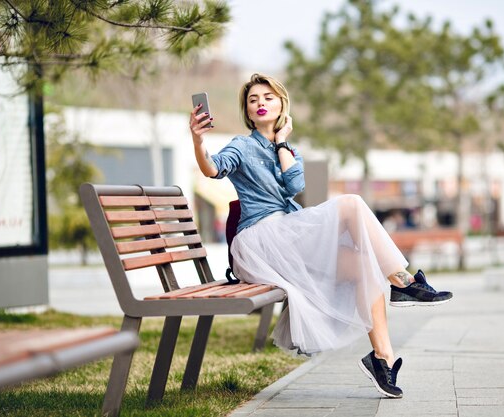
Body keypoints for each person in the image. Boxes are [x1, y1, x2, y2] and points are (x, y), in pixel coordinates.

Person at [189, 73, 453, 398]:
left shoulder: (287, 149)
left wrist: (282, 141)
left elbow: (295, 187)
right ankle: (402, 281)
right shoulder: (241, 146)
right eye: (253, 99)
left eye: (268, 97)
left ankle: (383, 358)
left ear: (282, 104)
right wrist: (198, 141)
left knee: (360, 264)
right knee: (352, 203)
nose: (260, 103)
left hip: (288, 236)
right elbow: (212, 168)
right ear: (247, 109)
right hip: (260, 239)